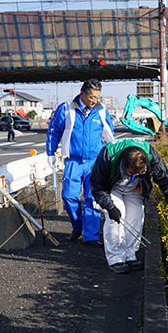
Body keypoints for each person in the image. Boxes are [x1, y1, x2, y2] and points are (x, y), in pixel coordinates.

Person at [90, 138, 168, 273]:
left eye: (141, 172)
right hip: (113, 187)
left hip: (135, 187)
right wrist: (110, 207)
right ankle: (115, 258)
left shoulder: (150, 154)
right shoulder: (108, 155)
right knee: (117, 220)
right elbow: (97, 185)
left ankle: (130, 255)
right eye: (132, 172)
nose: (137, 174)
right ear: (123, 164)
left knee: (137, 217)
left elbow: (165, 178)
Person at [47, 79, 115, 247]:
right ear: (82, 94)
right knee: (69, 196)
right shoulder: (66, 109)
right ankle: (78, 225)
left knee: (93, 199)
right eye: (91, 97)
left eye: (97, 97)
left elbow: (109, 135)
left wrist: (114, 156)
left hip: (95, 163)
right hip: (73, 161)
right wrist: (50, 152)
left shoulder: (101, 110)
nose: (94, 100)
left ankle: (91, 236)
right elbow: (54, 130)